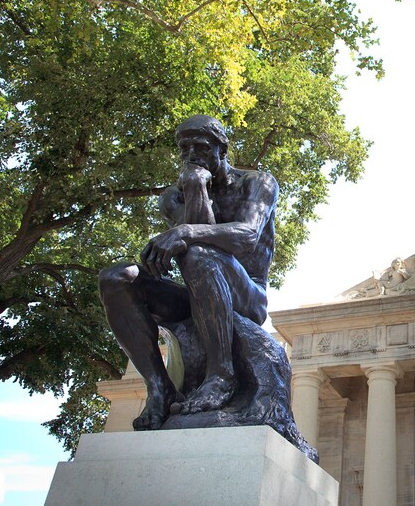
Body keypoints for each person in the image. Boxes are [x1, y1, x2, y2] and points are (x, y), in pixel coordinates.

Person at [98, 115, 279, 430]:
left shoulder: (257, 183)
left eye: (201, 146)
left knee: (197, 249)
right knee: (116, 278)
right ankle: (159, 388)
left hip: (247, 296)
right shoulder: (174, 195)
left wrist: (185, 232)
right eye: (184, 148)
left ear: (222, 148)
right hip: (199, 289)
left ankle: (221, 375)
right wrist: (196, 186)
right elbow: (195, 234)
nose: (191, 153)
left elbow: (246, 237)